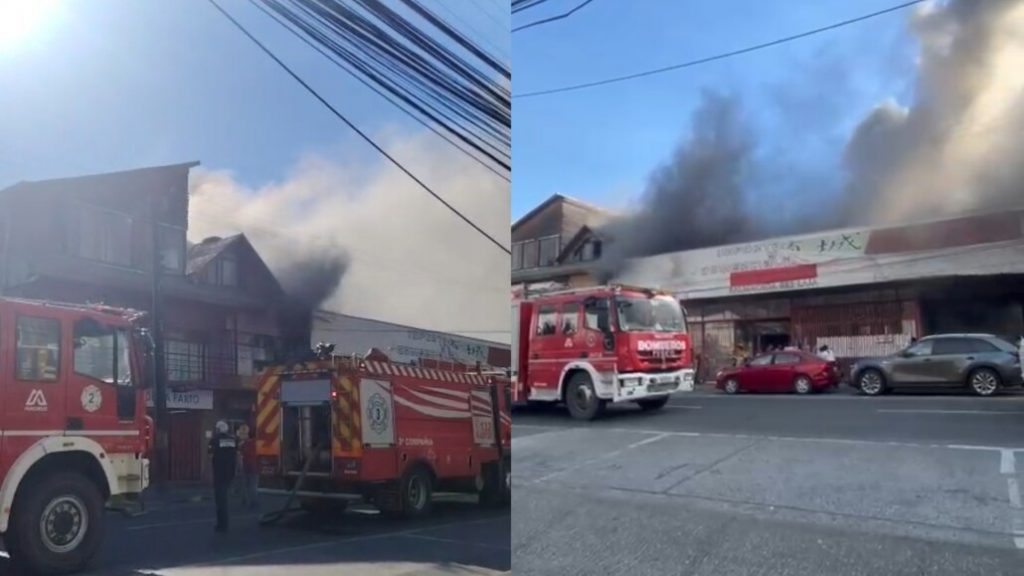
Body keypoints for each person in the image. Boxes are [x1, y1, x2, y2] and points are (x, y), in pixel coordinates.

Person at [209, 420, 238, 533]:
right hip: (230, 472)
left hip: (219, 472)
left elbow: (210, 455)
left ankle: (222, 524)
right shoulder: (233, 440)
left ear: (218, 429)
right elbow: (237, 455)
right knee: (224, 498)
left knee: (220, 500)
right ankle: (225, 523)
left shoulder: (215, 440)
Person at [239, 426, 259, 510]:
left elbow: (240, 454)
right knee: (253, 486)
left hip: (246, 467)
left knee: (245, 485)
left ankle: (244, 501)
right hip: (254, 467)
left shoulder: (244, 444)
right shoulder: (256, 444)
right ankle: (253, 502)